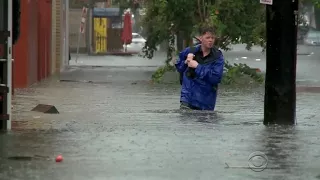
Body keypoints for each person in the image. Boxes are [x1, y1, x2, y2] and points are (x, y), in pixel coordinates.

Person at [175, 27, 224, 111]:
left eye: (212, 38)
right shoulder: (189, 51)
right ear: (200, 38)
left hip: (206, 101)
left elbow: (216, 78)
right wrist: (186, 62)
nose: (210, 40)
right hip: (187, 99)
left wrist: (197, 67)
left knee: (203, 123)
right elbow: (179, 68)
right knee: (184, 121)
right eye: (207, 37)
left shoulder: (217, 57)